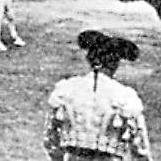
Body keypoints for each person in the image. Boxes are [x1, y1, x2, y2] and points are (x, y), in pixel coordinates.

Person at [43, 31, 152, 161]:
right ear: (115, 64)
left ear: (89, 59)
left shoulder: (66, 90)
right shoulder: (125, 96)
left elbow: (51, 140)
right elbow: (140, 147)